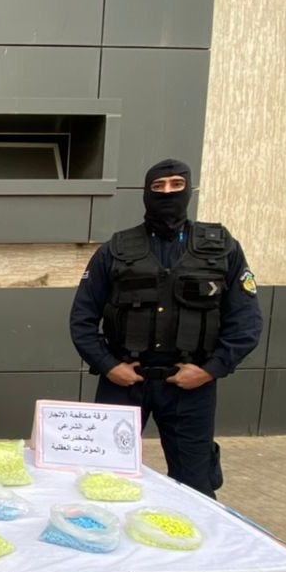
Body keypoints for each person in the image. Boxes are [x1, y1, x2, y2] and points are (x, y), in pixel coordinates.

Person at [70, 158, 262, 498]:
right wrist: (109, 366)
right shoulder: (116, 249)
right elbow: (82, 319)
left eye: (176, 184)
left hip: (190, 384)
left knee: (195, 486)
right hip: (125, 382)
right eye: (158, 186)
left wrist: (210, 371)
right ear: (146, 193)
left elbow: (246, 322)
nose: (167, 192)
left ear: (189, 190)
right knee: (104, 480)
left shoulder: (222, 249)